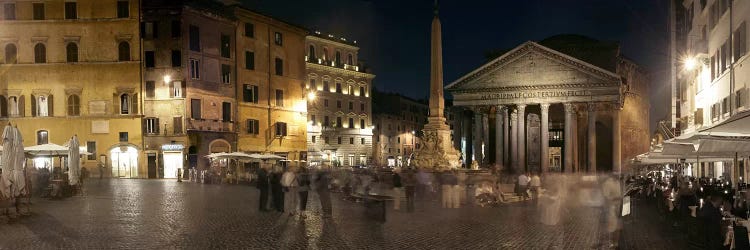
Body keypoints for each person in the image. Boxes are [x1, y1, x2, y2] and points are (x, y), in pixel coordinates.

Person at [602, 174, 622, 249]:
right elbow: (606, 197)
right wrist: (616, 198)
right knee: (612, 227)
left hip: (619, 208)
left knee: (618, 227)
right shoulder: (607, 183)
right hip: (611, 208)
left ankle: (616, 244)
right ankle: (611, 244)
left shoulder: (618, 182)